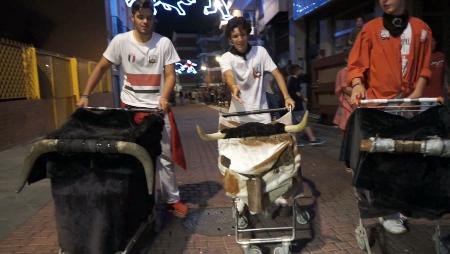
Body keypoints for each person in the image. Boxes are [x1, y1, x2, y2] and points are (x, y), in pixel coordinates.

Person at [76, 0, 188, 218]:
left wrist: (164, 97)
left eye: (149, 17)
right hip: (131, 111)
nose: (145, 21)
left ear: (154, 18)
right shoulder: (120, 42)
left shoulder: (163, 43)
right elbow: (101, 67)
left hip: (158, 110)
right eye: (141, 17)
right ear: (132, 18)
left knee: (165, 158)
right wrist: (85, 95)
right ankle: (137, 201)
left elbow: (171, 75)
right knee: (133, 157)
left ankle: (172, 200)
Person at [347, 0, 433, 234]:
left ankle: (401, 203)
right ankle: (386, 210)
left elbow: (425, 67)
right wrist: (357, 85)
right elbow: (356, 64)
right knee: (382, 158)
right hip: (378, 105)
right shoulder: (371, 29)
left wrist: (416, 94)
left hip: (409, 106)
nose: (384, 0)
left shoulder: (422, 29)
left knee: (408, 156)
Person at [219, 17, 295, 123]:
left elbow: (277, 74)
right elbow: (228, 75)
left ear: (248, 34)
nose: (240, 39)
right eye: (235, 36)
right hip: (238, 117)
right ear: (230, 39)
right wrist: (233, 86)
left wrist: (287, 97)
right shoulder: (226, 57)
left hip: (262, 116)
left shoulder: (260, 52)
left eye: (243, 35)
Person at [287, 64, 326, 146]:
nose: (301, 71)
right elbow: (297, 93)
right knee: (304, 122)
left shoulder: (292, 79)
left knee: (294, 124)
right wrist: (304, 98)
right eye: (300, 69)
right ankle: (313, 140)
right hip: (297, 105)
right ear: (296, 71)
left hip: (294, 106)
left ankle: (294, 142)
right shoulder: (294, 80)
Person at [333, 52, 353, 132]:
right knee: (347, 127)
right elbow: (345, 88)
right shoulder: (344, 72)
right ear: (346, 59)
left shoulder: (354, 71)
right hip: (347, 102)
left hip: (354, 102)